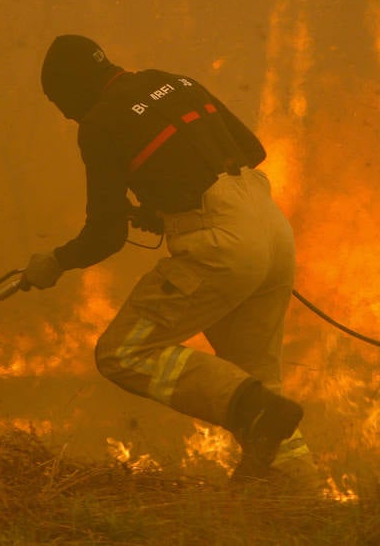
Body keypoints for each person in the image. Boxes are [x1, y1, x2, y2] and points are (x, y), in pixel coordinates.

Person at [22, 35, 312, 483]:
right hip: (272, 229)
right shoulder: (173, 81)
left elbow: (106, 233)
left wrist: (56, 262)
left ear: (74, 86)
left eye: (59, 100)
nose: (64, 113)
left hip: (220, 244)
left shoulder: (98, 122)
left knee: (123, 352)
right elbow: (253, 150)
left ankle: (254, 412)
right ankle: (294, 491)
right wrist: (169, 205)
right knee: (254, 376)